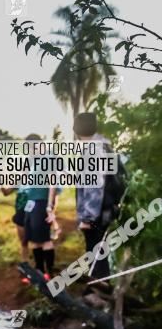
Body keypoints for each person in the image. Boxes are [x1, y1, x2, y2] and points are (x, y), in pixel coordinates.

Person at [73, 112, 112, 280]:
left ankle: (98, 293)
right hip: (105, 208)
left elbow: (94, 185)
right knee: (99, 250)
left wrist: (87, 218)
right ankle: (97, 287)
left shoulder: (93, 150)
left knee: (96, 251)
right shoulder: (103, 145)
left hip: (96, 212)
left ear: (76, 130)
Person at [20, 134, 60, 280]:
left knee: (44, 239)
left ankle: (50, 272)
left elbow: (52, 183)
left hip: (42, 202)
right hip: (31, 203)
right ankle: (39, 270)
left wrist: (49, 206)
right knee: (34, 239)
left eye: (31, 147)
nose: (30, 150)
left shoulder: (48, 158)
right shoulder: (32, 160)